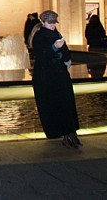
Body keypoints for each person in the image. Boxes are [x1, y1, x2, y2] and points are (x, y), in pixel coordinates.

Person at [31, 10, 81, 148]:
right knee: (54, 103)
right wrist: (54, 48)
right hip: (46, 76)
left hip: (59, 74)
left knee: (66, 102)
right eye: (50, 23)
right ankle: (62, 132)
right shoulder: (39, 36)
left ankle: (70, 132)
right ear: (43, 22)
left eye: (54, 23)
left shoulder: (56, 34)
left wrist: (63, 56)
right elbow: (41, 56)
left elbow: (65, 53)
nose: (52, 25)